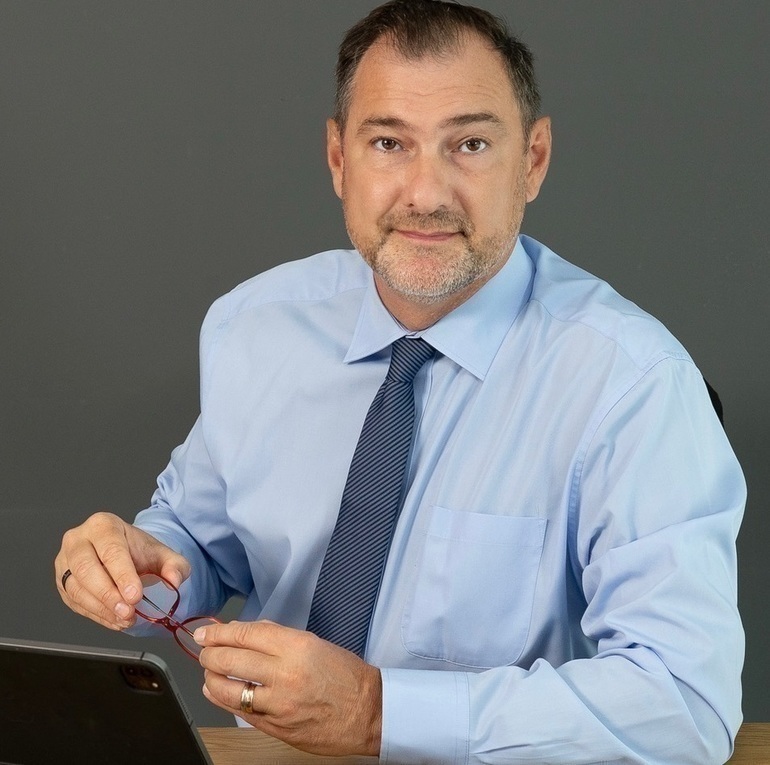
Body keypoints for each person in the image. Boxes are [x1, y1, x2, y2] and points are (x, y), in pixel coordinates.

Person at [55, 1, 745, 762]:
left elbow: (685, 703)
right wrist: (138, 567)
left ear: (533, 161)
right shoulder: (255, 326)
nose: (425, 193)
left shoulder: (634, 385)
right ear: (338, 159)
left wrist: (377, 711)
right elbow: (201, 544)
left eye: (470, 144)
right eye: (389, 143)